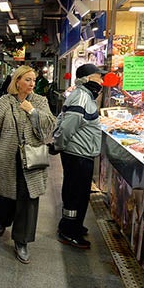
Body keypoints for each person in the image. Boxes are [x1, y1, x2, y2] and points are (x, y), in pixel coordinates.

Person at [0, 65, 55, 264]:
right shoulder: (4, 102)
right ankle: (3, 219)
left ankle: (22, 241)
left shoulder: (40, 101)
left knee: (28, 201)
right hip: (6, 159)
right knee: (4, 198)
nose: (31, 84)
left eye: (33, 80)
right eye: (27, 80)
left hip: (32, 161)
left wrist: (34, 113)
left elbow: (50, 127)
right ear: (17, 81)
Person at [54, 64, 106, 249]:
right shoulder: (82, 97)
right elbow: (67, 126)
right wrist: (58, 145)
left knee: (78, 193)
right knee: (75, 194)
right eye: (98, 77)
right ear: (86, 78)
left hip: (80, 153)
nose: (101, 81)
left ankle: (73, 224)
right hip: (77, 155)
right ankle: (69, 231)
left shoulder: (85, 96)